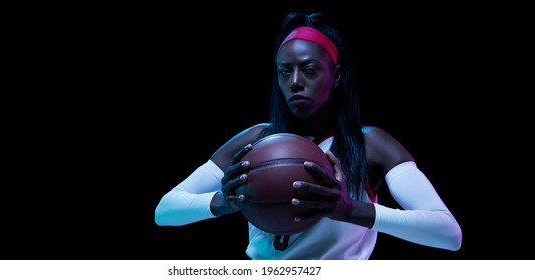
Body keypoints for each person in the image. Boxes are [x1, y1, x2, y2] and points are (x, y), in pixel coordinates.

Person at [154, 11, 462, 260]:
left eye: (309, 69)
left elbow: (448, 234)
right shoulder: (257, 140)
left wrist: (351, 209)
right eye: (285, 71)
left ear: (337, 76)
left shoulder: (370, 145)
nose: (295, 82)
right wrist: (223, 202)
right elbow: (165, 210)